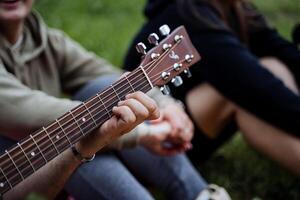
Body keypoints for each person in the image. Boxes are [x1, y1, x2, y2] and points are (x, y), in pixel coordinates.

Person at [0, 0, 214, 199]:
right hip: (13, 174)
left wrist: (166, 105)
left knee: (100, 92)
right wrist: (143, 133)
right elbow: (28, 114)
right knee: (75, 142)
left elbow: (104, 75)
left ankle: (200, 194)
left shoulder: (41, 38)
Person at [124, 0, 300, 175]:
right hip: (155, 138)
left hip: (191, 119)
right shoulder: (190, 15)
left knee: (273, 65)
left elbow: (281, 51)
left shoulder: (236, 8)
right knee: (242, 96)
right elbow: (259, 89)